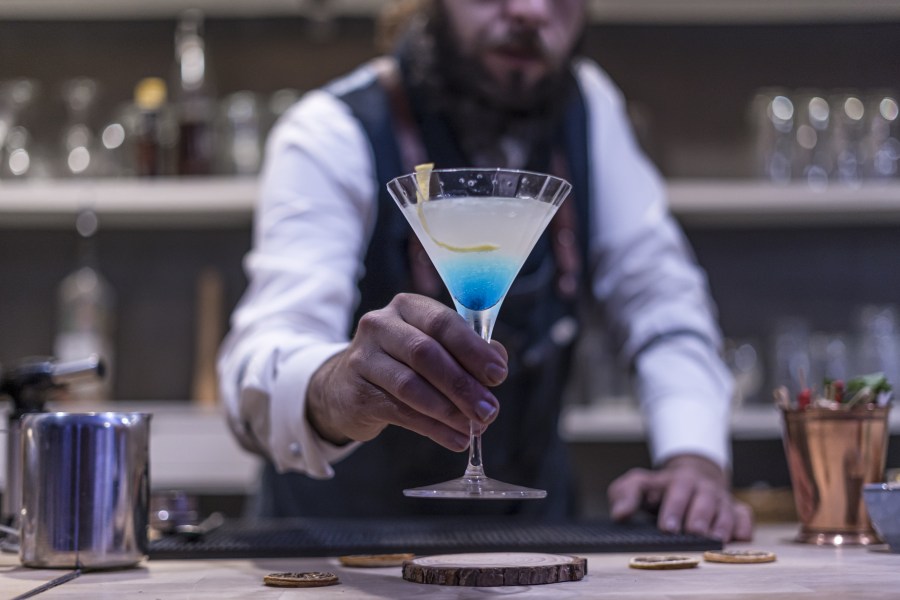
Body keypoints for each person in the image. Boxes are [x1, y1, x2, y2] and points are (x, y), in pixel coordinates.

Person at [218, 0, 753, 541]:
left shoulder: (588, 105)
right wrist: (337, 387)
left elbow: (661, 300)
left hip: (533, 549)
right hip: (340, 554)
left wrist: (695, 458)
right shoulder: (333, 129)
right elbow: (262, 356)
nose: (529, 10)